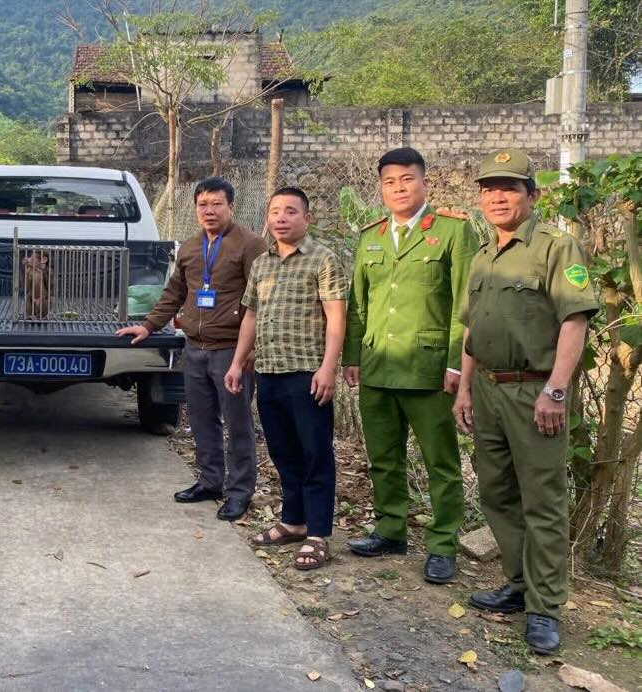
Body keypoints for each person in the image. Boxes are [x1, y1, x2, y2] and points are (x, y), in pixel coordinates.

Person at [453, 149, 598, 655]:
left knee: (543, 501)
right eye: (490, 188)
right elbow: (472, 329)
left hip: (535, 391)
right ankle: (516, 584)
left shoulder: (556, 249)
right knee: (495, 492)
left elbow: (574, 321)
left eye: (510, 188)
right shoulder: (482, 256)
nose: (498, 196)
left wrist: (556, 390)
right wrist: (466, 388)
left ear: (531, 196)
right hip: (488, 389)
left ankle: (545, 607)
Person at [341, 147, 479, 585]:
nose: (399, 188)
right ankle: (390, 529)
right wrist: (352, 356)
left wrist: (457, 364)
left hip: (429, 367)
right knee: (383, 457)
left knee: (440, 461)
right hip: (378, 365)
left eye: (407, 179)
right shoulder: (371, 236)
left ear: (424, 182)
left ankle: (442, 545)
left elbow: (466, 304)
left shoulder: (454, 232)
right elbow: (357, 304)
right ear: (380, 187)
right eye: (389, 181)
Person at [119, 177, 268, 521]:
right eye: (203, 204)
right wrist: (148, 325)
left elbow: (262, 300)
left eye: (217, 204)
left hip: (232, 350)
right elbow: (174, 293)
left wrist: (251, 350)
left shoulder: (251, 245)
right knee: (201, 421)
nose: (209, 211)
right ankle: (210, 480)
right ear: (196, 208)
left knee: (238, 423)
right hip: (196, 348)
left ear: (231, 206)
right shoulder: (189, 247)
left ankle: (240, 491)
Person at [224, 187, 347, 570]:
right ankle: (294, 522)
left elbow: (336, 318)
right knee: (283, 453)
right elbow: (251, 317)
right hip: (269, 374)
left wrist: (328, 368)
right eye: (275, 210)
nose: (281, 217)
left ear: (306, 219)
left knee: (315, 454)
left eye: (290, 211)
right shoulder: (263, 263)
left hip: (307, 374)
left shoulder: (323, 260)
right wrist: (237, 361)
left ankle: (318, 535)